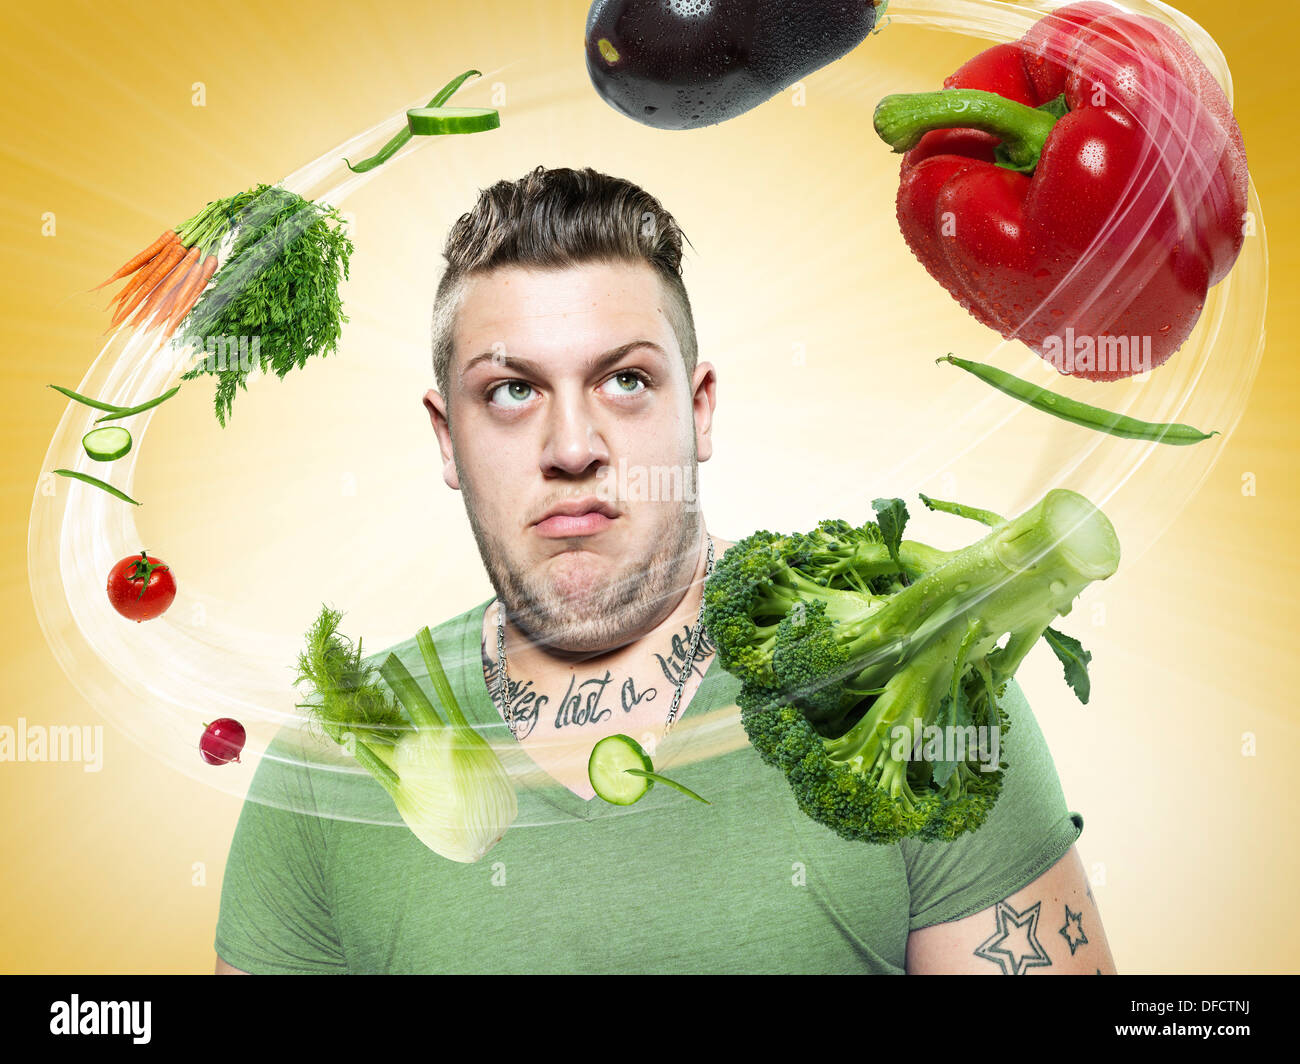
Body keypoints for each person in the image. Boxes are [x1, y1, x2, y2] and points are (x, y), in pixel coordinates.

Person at [214, 165, 1115, 974]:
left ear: (700, 409)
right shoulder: (327, 768)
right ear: (448, 436)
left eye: (625, 381)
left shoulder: (912, 683)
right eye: (512, 391)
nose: (572, 447)